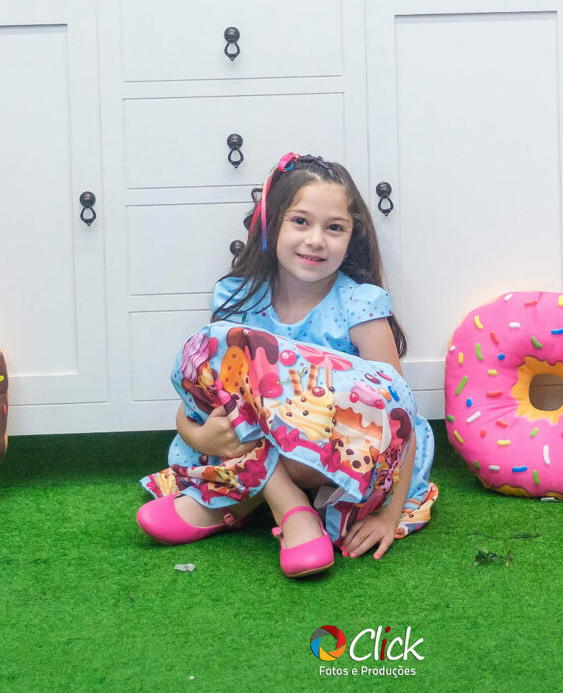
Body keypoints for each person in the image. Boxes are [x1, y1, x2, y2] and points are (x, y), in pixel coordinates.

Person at [137, 154, 437, 578]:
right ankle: (291, 506)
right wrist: (201, 435)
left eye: (334, 228)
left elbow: (398, 414)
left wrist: (388, 516)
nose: (316, 240)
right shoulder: (238, 298)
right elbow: (198, 401)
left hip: (335, 454)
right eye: (300, 221)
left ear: (352, 236)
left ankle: (241, 502)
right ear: (271, 224)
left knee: (287, 423)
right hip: (256, 436)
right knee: (215, 348)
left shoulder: (360, 305)